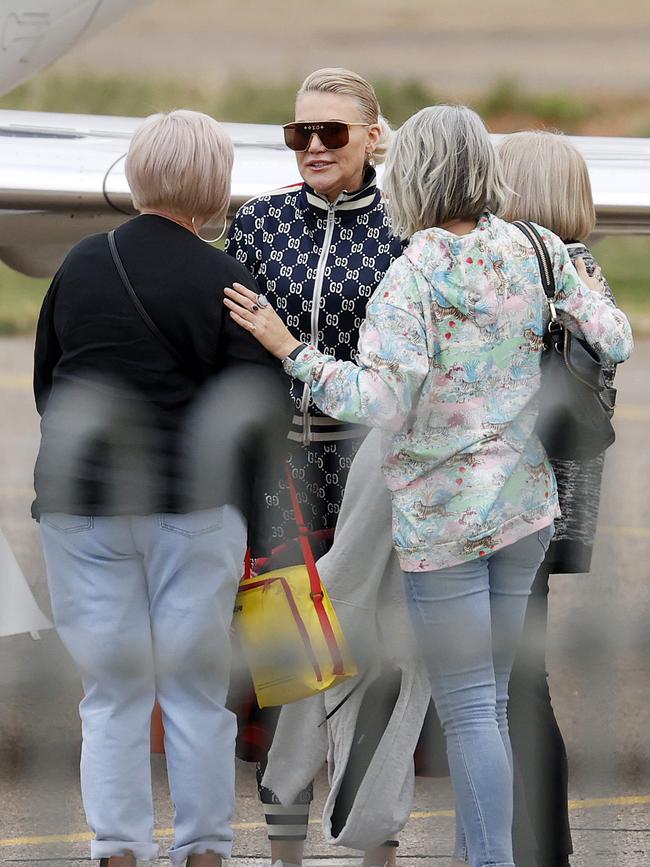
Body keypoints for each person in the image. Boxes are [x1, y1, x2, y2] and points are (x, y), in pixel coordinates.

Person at [223, 105, 633, 867]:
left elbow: (377, 400)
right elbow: (614, 337)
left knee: (470, 704)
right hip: (525, 507)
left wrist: (292, 349)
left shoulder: (409, 277)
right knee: (497, 701)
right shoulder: (537, 247)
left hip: (443, 524)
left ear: (411, 174)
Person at [33, 110, 288, 867]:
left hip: (81, 506)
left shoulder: (80, 263)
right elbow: (255, 413)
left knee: (109, 694)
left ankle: (116, 849)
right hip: (192, 509)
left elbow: (52, 384)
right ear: (214, 187)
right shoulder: (229, 282)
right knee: (194, 694)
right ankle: (205, 849)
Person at [225, 67, 402, 867]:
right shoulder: (257, 223)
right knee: (290, 676)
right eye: (301, 132)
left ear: (373, 136)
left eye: (333, 131)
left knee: (373, 666)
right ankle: (284, 854)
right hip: (282, 485)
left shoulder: (407, 226)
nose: (315, 146)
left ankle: (376, 846)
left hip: (378, 482)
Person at [495, 129, 622, 867]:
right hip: (554, 505)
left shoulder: (529, 273)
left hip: (509, 503)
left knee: (512, 685)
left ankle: (537, 848)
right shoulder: (587, 273)